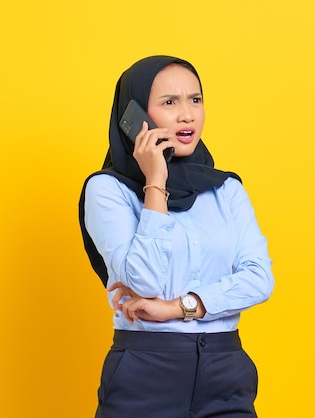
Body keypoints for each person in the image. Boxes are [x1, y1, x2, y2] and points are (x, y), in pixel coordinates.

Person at [78, 55, 274, 418]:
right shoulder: (107, 190)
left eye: (195, 100)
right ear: (134, 116)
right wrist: (156, 181)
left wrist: (178, 307)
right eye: (170, 103)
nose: (188, 115)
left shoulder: (226, 189)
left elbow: (260, 279)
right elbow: (144, 280)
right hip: (146, 370)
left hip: (225, 370)